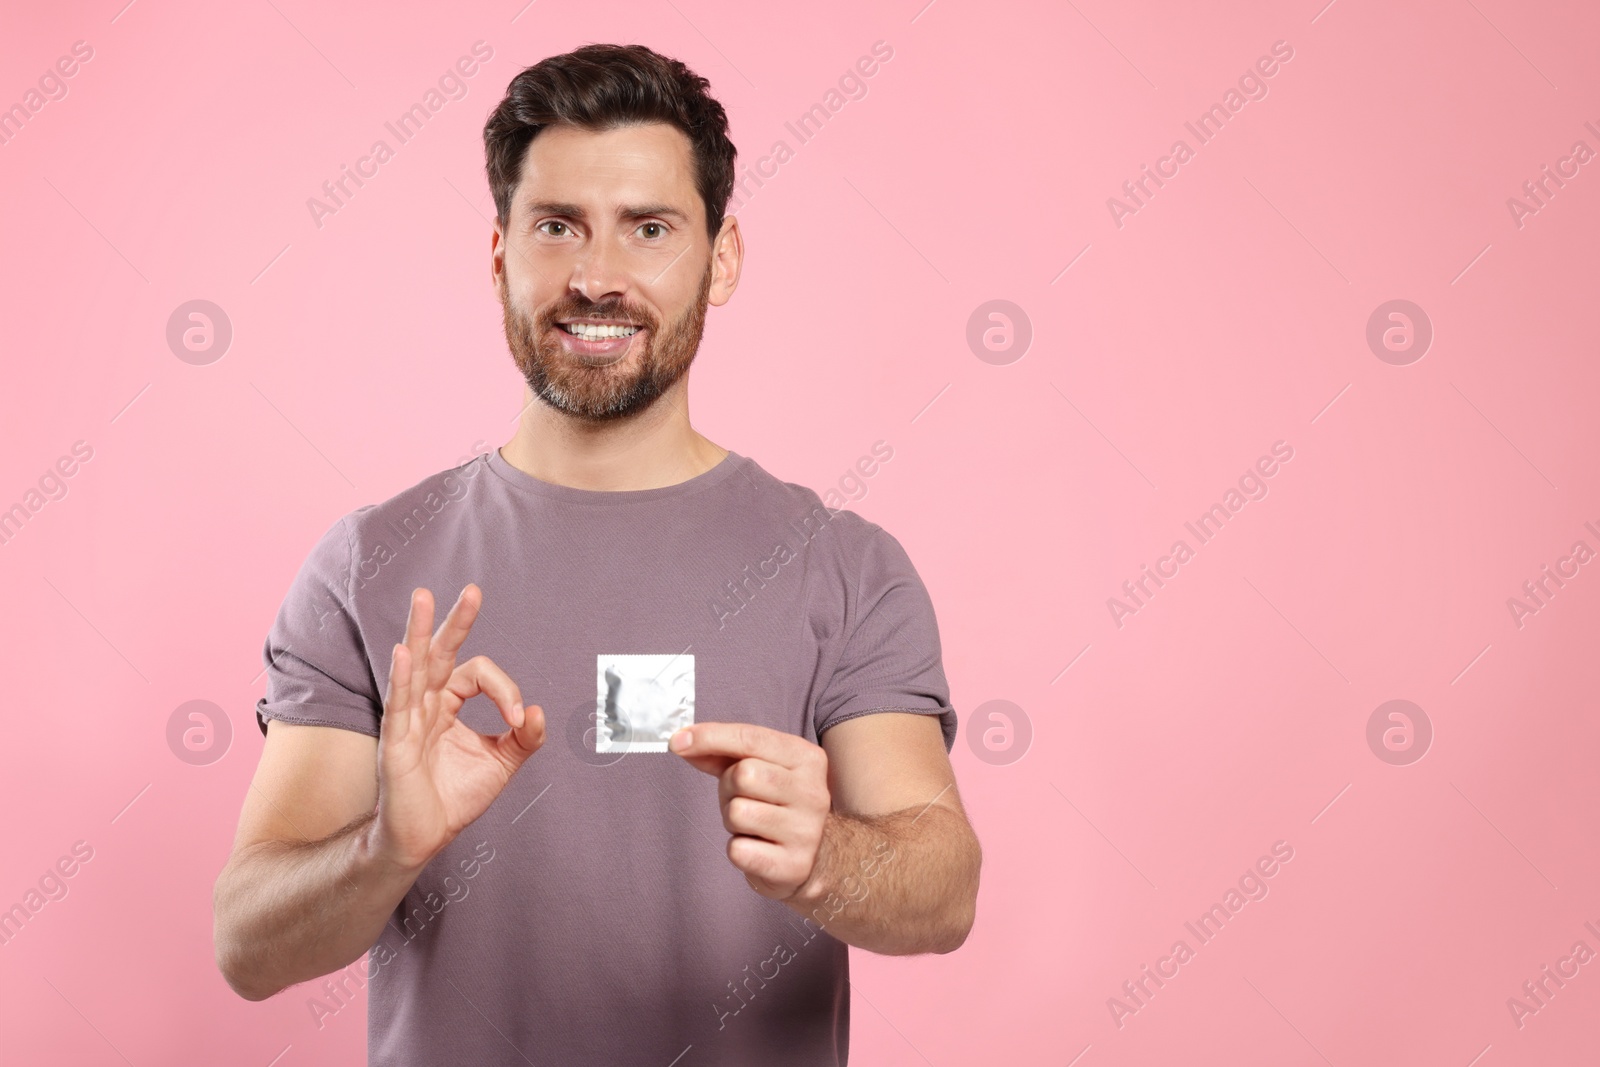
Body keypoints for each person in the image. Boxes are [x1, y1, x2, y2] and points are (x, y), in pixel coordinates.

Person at [212, 42, 981, 1066]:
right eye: (556, 225)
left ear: (722, 256)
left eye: (649, 228)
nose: (596, 277)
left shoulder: (845, 565)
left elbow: (943, 892)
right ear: (499, 254)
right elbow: (249, 943)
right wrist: (384, 846)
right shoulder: (368, 565)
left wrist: (825, 860)